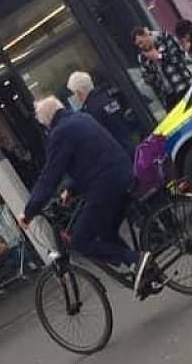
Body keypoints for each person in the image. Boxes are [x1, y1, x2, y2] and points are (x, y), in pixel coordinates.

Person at [19, 97, 156, 297]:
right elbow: (92, 159)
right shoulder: (82, 118)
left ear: (47, 120)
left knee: (80, 240)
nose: (46, 129)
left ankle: (136, 260)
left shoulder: (60, 133)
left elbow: (50, 175)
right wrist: (72, 189)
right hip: (123, 174)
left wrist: (29, 211)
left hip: (106, 185)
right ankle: (142, 273)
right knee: (105, 230)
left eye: (44, 125)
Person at [66, 71, 135, 156]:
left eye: (74, 93)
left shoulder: (90, 113)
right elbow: (121, 119)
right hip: (130, 145)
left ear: (78, 93)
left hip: (116, 154)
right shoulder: (108, 99)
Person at [133, 26, 192, 110]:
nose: (141, 46)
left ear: (146, 35)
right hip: (168, 95)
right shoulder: (142, 57)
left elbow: (179, 57)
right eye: (138, 45)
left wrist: (159, 56)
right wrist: (149, 77)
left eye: (141, 42)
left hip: (182, 85)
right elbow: (147, 76)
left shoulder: (164, 38)